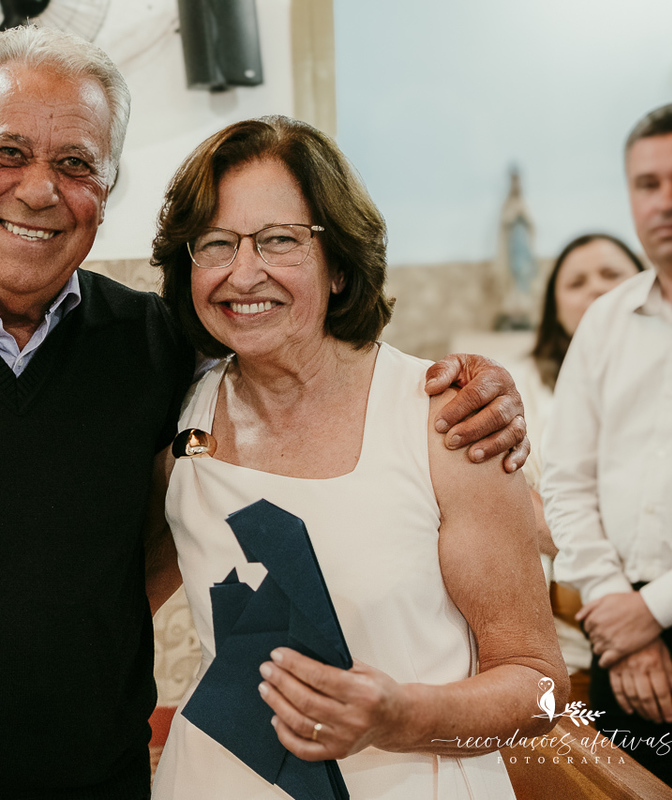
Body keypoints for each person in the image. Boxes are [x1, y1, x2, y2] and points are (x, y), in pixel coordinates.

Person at [0, 27, 530, 800]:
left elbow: (301, 364)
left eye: (76, 164)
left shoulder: (160, 350)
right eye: (6, 151)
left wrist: (471, 384)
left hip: (102, 784)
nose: (39, 190)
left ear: (107, 186)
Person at [145, 116, 566, 799]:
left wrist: (401, 715)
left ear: (339, 264)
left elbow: (543, 691)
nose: (243, 273)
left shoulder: (448, 421)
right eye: (216, 243)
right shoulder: (174, 413)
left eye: (279, 240)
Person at [542, 101, 672, 800]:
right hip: (618, 622)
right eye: (648, 184)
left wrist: (653, 609)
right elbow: (566, 480)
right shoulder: (607, 321)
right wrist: (617, 601)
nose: (666, 200)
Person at [513, 234, 645, 694]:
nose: (596, 289)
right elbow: (509, 496)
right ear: (555, 308)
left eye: (611, 274)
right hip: (566, 638)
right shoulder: (518, 385)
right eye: (576, 282)